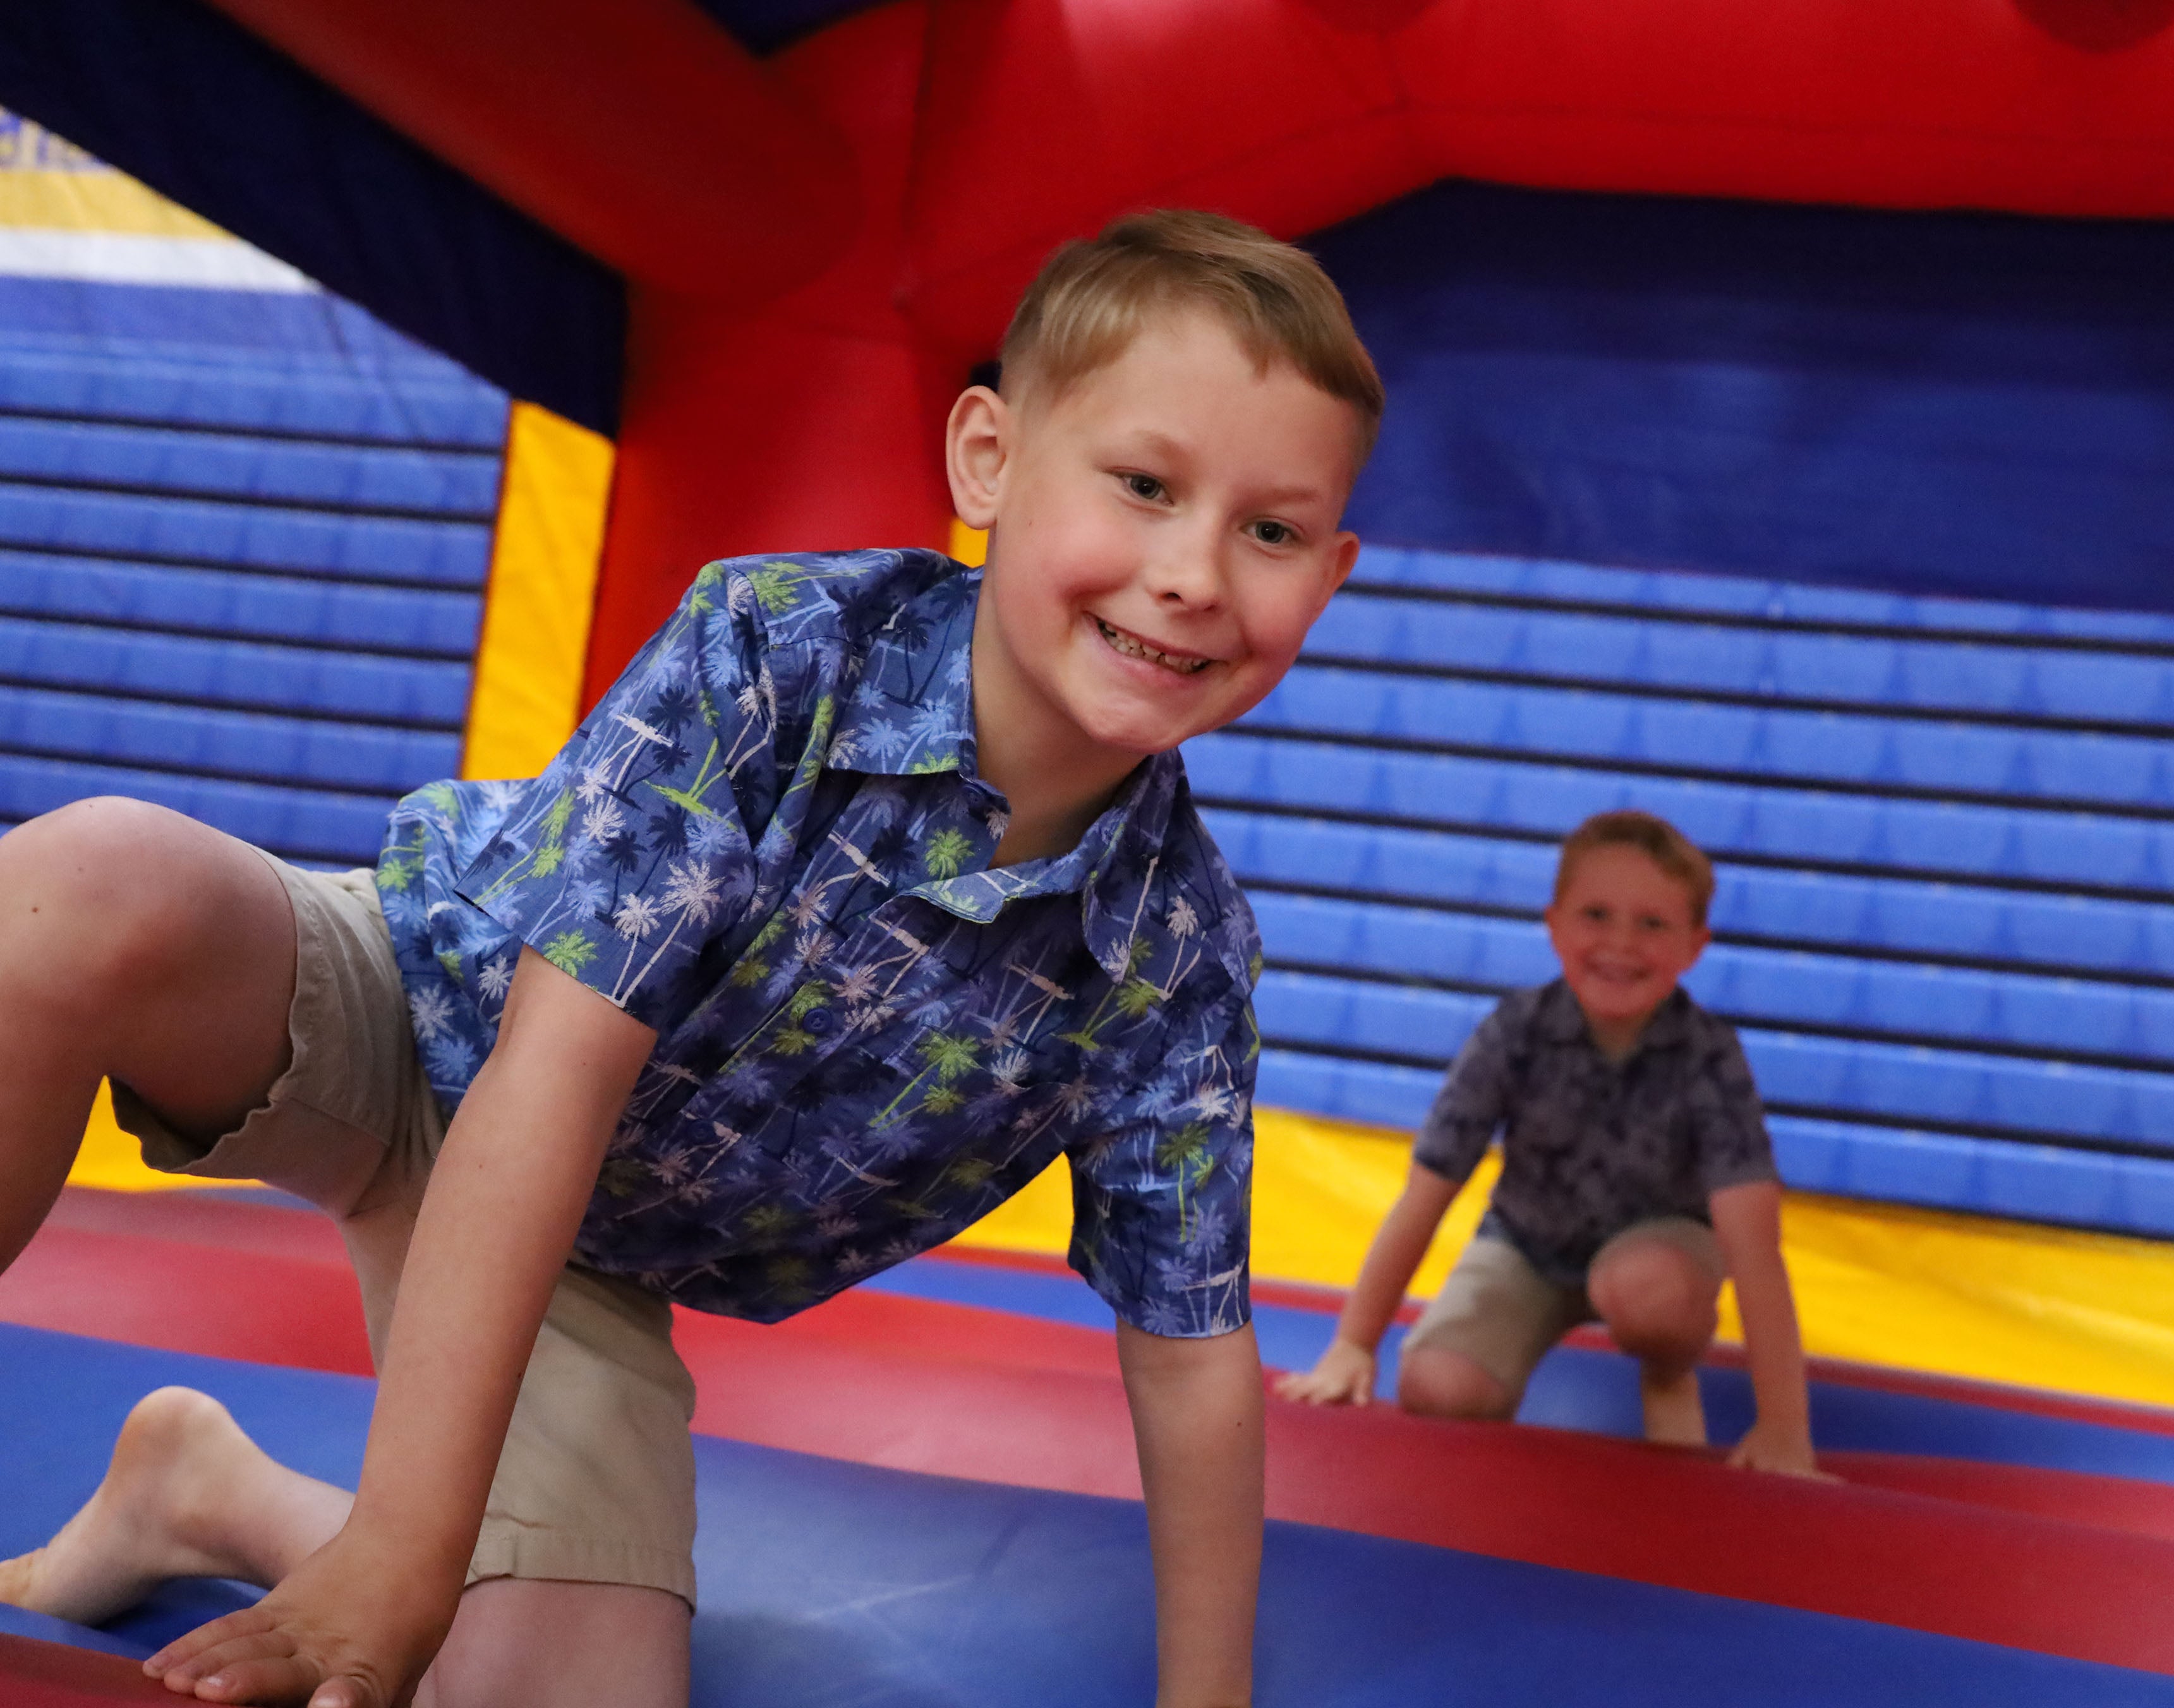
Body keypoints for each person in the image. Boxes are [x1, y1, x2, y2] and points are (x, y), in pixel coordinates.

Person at [0, 208, 1380, 1708]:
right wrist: (407, 1544)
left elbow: (1187, 1350)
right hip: (416, 1005)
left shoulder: (1171, 962)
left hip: (587, 1247)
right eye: (1144, 483)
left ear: (1333, 571)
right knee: (84, 885)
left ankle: (204, 1491)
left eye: (1270, 530)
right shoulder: (779, 650)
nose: (1192, 572)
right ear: (985, 458)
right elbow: (554, 1068)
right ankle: (372, 1541)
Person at [1277, 811, 1823, 1474]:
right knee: (1439, 1387)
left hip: (1659, 1250)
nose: (1621, 943)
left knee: (1650, 1294)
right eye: (1596, 915)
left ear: (1695, 946)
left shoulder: (1709, 1056)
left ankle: (1668, 1369)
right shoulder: (1516, 1032)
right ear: (1554, 924)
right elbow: (1427, 1192)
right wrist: (1353, 1343)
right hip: (1527, 1244)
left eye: (1653, 924)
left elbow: (1754, 1244)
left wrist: (1784, 1427)